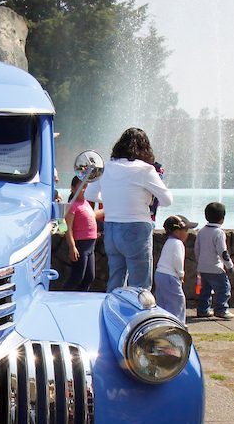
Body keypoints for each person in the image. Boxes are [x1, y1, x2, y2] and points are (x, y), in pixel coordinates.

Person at [89, 127, 172, 291]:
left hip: (111, 228)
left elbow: (90, 194)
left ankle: (112, 312)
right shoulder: (145, 169)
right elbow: (167, 200)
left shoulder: (106, 167)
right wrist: (146, 199)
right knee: (140, 286)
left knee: (115, 280)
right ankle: (137, 315)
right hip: (137, 227)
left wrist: (114, 200)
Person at [194, 202, 234, 319]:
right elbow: (223, 252)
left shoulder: (201, 231)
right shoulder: (219, 233)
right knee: (224, 288)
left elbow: (197, 249)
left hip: (203, 267)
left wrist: (200, 261)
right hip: (216, 268)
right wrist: (229, 266)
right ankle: (221, 309)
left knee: (205, 290)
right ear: (222, 219)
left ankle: (203, 309)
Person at [62, 174, 101, 291]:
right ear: (73, 189)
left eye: (87, 187)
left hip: (90, 245)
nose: (85, 190)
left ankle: (80, 298)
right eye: (82, 187)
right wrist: (72, 246)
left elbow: (93, 216)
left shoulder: (85, 203)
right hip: (80, 245)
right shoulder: (72, 205)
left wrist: (109, 209)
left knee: (89, 277)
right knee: (77, 276)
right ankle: (64, 297)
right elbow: (67, 228)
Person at [154, 215, 195, 323]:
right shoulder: (178, 243)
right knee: (177, 302)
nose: (187, 233)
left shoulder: (169, 241)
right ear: (177, 231)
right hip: (170, 276)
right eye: (186, 230)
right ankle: (177, 324)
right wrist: (181, 274)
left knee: (163, 302)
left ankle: (162, 322)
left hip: (160, 274)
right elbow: (178, 260)